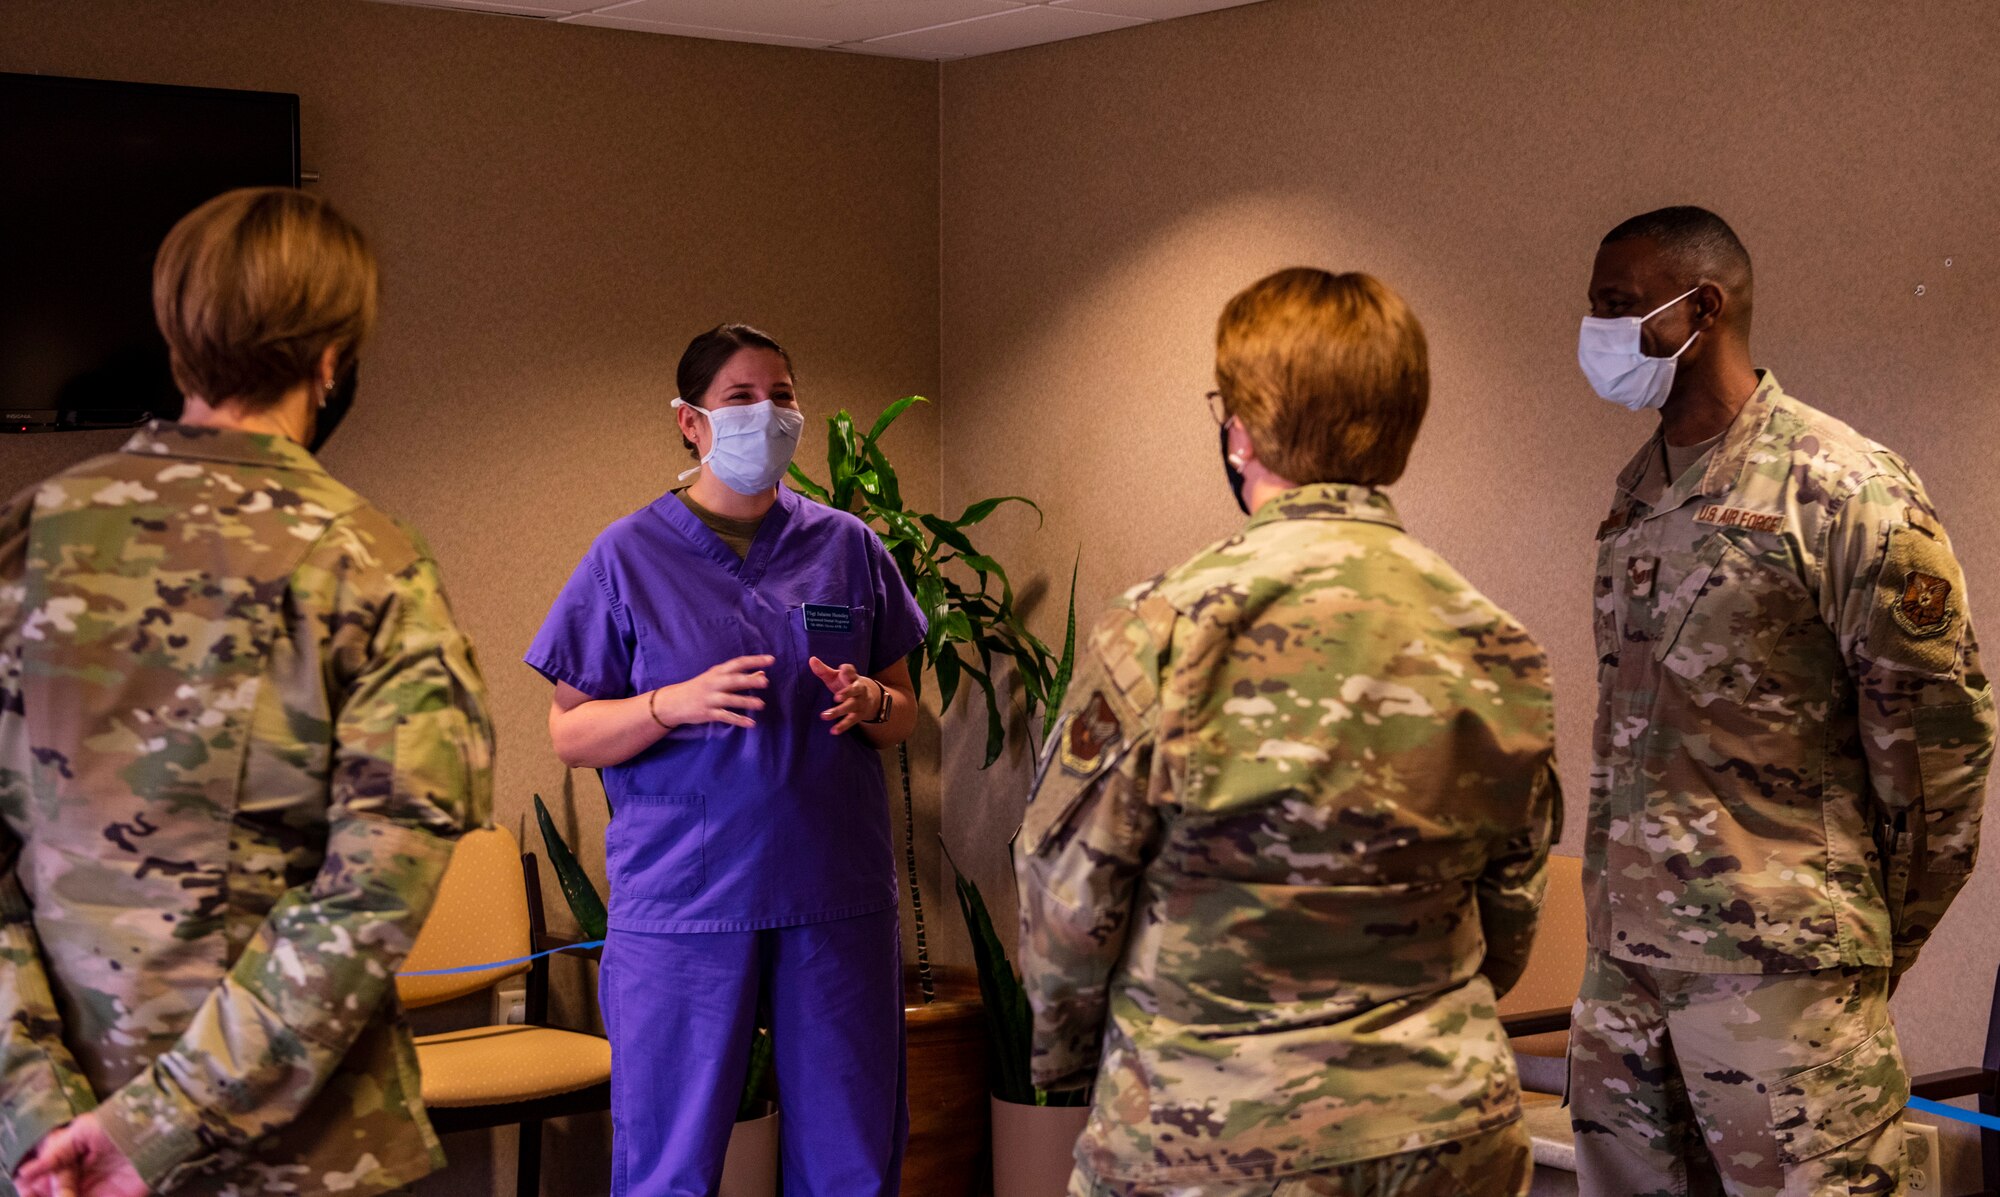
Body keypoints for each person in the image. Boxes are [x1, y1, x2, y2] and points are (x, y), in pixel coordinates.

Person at [1015, 268, 1562, 1197]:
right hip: (1445, 1129)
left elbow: (1068, 903)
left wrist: (1065, 1067)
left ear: (1240, 427)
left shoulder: (1165, 628)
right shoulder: (1499, 643)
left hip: (1214, 1136)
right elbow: (1509, 921)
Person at [0, 187, 493, 1197]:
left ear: (176, 342)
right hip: (296, 1161)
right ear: (329, 360)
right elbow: (369, 897)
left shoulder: (29, 536)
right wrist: (158, 1126)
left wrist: (43, 1114)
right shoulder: (369, 565)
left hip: (50, 1164)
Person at [1570, 205, 1994, 1196]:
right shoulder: (1633, 495)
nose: (1594, 333)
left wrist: (1843, 947)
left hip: (1781, 986)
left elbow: (1937, 757)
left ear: (1700, 307)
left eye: (1617, 306)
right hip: (1625, 977)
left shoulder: (1840, 489)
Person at [525, 324, 927, 1197]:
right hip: (686, 903)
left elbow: (904, 711)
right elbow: (570, 730)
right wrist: (672, 703)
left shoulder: (847, 547)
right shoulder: (627, 555)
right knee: (669, 1159)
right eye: (742, 397)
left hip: (833, 894)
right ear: (689, 421)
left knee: (851, 1156)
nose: (768, 413)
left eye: (781, 395)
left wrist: (872, 702)